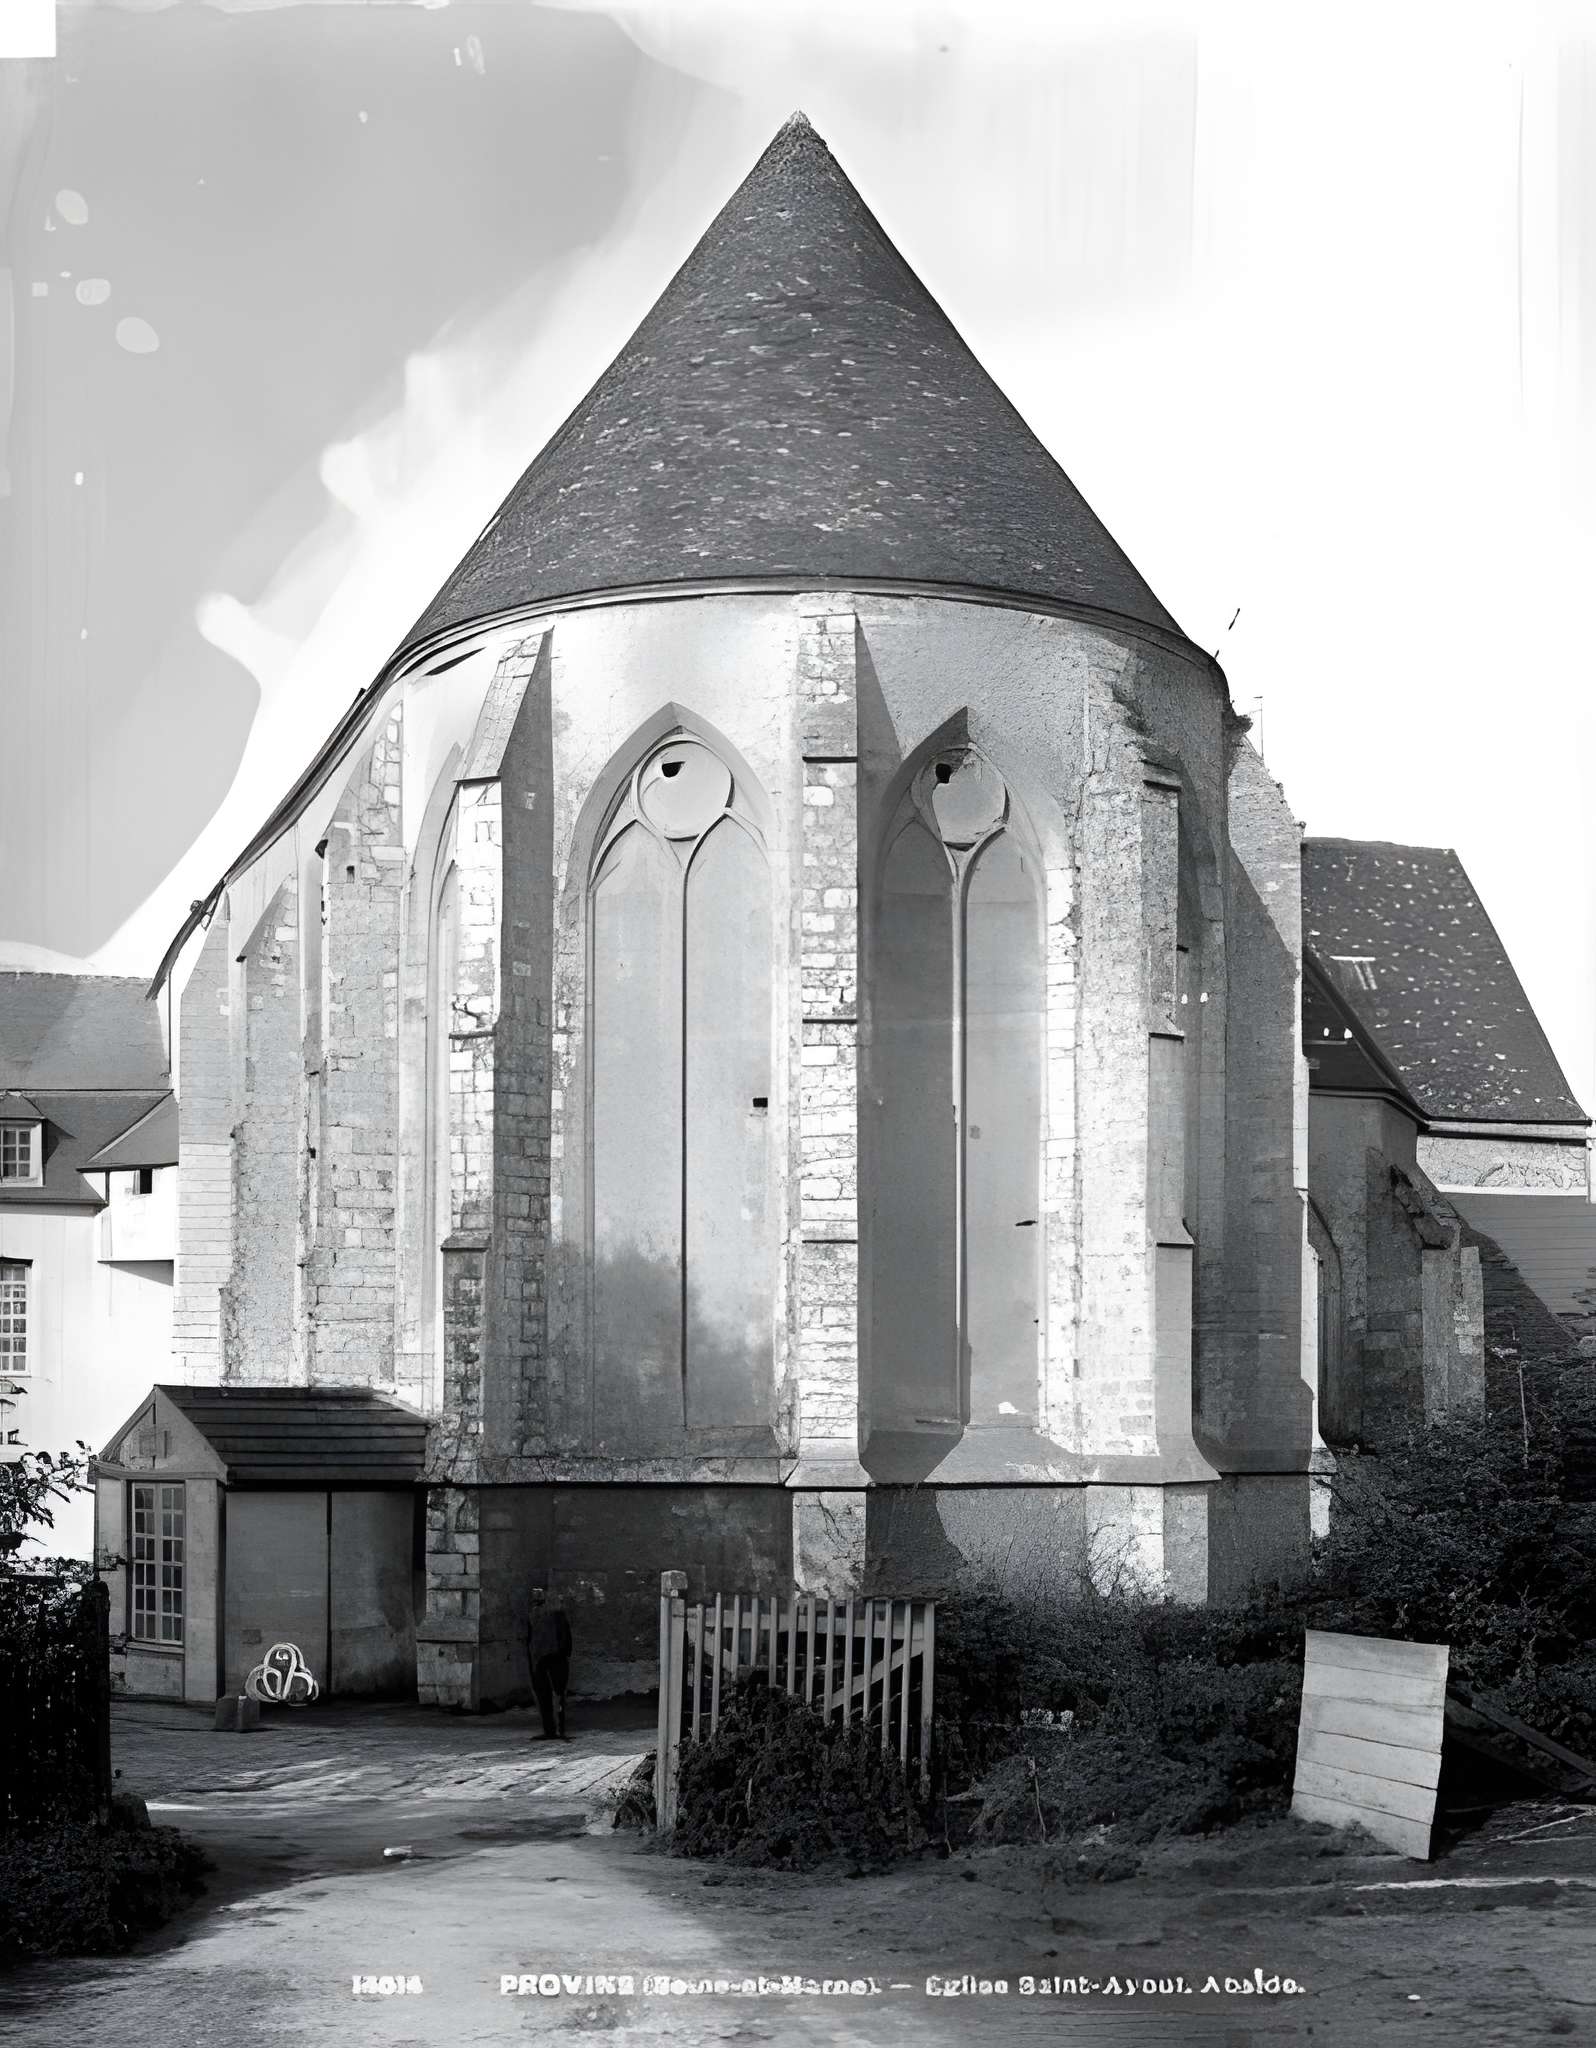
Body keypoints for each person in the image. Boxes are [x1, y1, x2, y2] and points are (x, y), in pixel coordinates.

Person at [526, 1585, 573, 1740]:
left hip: (550, 1657)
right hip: (546, 1658)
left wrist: (563, 1653)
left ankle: (556, 1730)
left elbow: (565, 1636)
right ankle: (555, 1730)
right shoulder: (536, 1614)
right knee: (550, 1695)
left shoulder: (553, 1614)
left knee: (552, 1695)